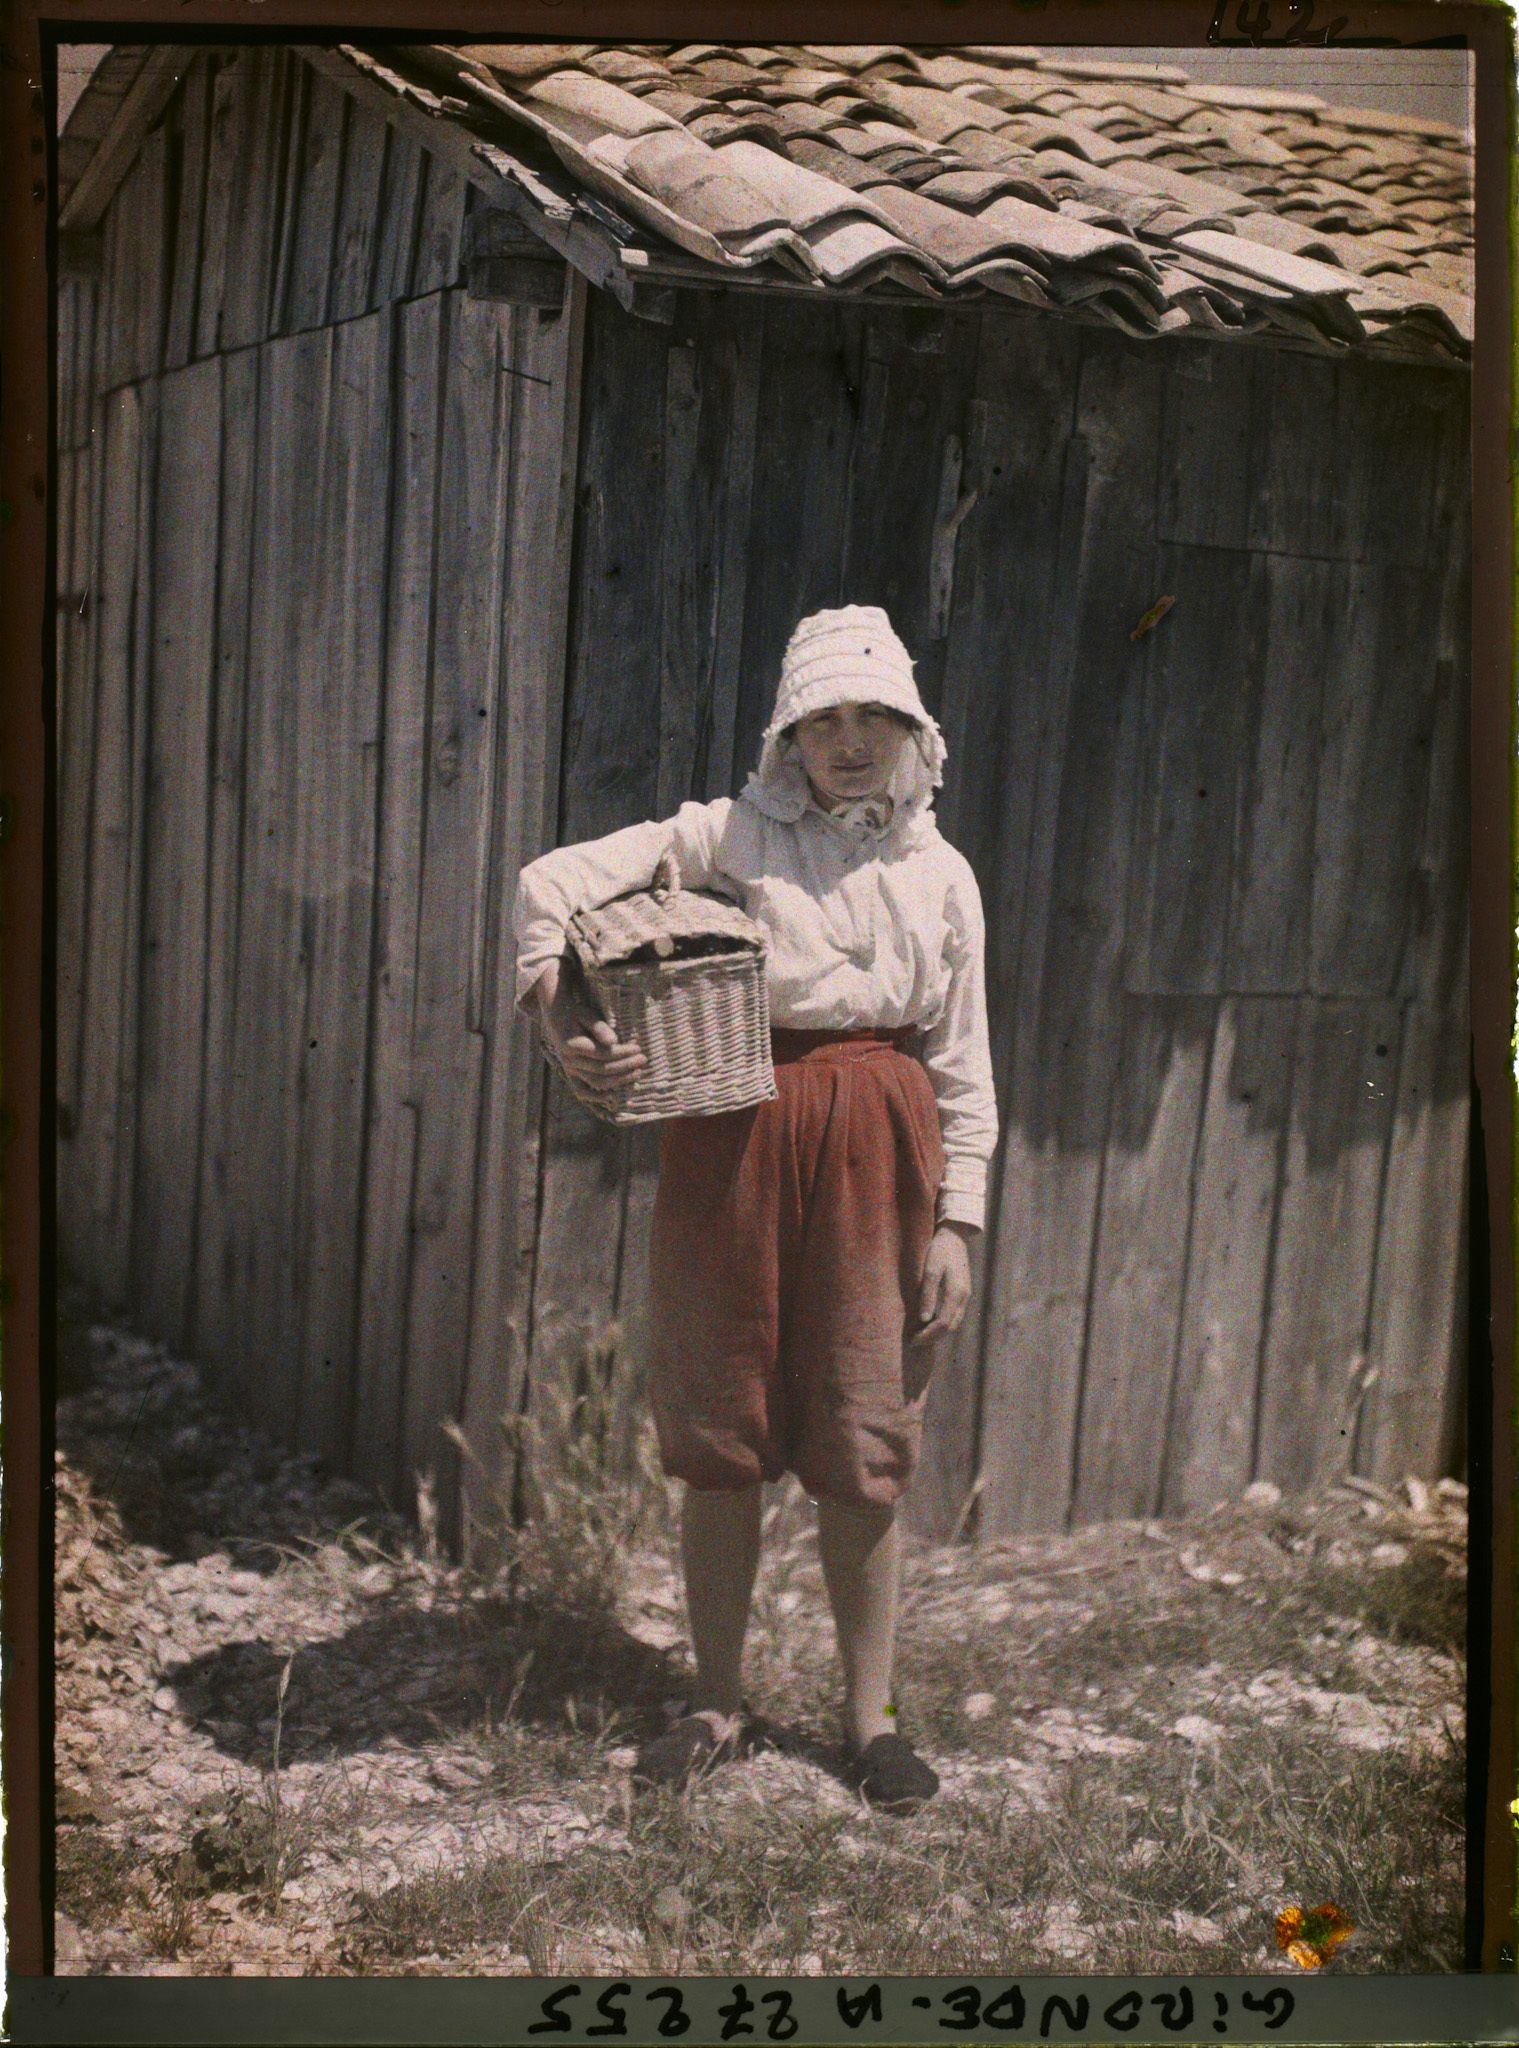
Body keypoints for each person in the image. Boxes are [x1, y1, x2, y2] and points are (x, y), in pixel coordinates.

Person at [512, 605, 997, 1813]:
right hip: (730, 1137)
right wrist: (559, 1013)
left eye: (871, 717)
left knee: (862, 1437)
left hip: (884, 1152)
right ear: (789, 731)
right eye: (823, 718)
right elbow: (551, 882)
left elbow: (967, 1062)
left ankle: (870, 1719)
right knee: (721, 1435)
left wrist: (958, 1223)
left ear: (908, 731)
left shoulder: (939, 874)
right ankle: (717, 1700)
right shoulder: (727, 834)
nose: (847, 740)